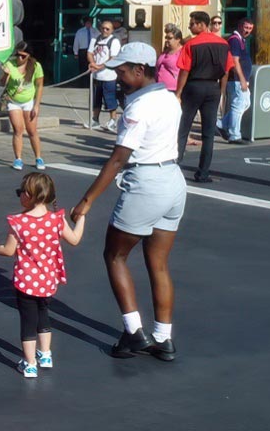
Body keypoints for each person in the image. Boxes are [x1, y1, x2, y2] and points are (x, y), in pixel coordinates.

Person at [71, 41, 186, 362]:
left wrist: (86, 200)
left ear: (140, 70)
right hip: (173, 181)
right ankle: (163, 338)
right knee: (158, 263)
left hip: (146, 183)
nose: (119, 77)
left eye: (122, 71)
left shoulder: (138, 108)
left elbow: (118, 159)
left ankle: (134, 332)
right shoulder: (169, 99)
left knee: (115, 255)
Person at [0, 172, 86, 378]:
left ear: (28, 195)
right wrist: (81, 219)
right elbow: (74, 239)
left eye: (20, 192)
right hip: (48, 280)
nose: (19, 195)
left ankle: (29, 364)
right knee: (43, 314)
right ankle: (45, 354)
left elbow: (8, 250)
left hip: (26, 282)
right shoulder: (56, 219)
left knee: (28, 321)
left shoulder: (18, 222)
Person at [176, 11, 232, 183]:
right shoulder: (223, 44)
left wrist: (178, 93)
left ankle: (174, 165)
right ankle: (203, 172)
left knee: (183, 128)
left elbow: (184, 70)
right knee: (208, 132)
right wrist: (221, 91)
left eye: (192, 23)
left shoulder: (191, 44)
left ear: (201, 24)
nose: (189, 26)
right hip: (213, 87)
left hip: (194, 86)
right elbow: (226, 70)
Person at [2, 41, 45, 171]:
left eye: (23, 56)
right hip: (13, 101)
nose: (19, 58)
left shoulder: (36, 66)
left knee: (32, 130)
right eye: (17, 55)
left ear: (28, 56)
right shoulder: (10, 64)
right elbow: (2, 83)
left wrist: (36, 106)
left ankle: (38, 157)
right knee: (18, 129)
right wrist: (5, 74)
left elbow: (39, 85)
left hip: (28, 101)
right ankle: (18, 158)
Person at [217, 17, 254, 144]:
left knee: (245, 103)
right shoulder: (235, 40)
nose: (247, 31)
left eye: (250, 28)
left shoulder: (241, 40)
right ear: (240, 26)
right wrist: (242, 79)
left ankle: (222, 124)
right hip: (237, 80)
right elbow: (234, 61)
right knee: (238, 105)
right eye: (246, 27)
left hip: (240, 80)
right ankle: (234, 135)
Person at [87, 19, 122, 132]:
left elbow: (113, 58)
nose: (105, 30)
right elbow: (90, 53)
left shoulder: (114, 41)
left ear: (112, 30)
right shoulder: (95, 39)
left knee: (110, 99)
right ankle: (95, 119)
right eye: (103, 28)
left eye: (107, 29)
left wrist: (100, 66)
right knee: (96, 99)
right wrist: (92, 63)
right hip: (96, 76)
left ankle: (113, 121)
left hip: (109, 76)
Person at [157, 26, 182, 91]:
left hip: (173, 89)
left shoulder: (182, 52)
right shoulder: (165, 51)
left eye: (169, 38)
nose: (167, 40)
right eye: (166, 38)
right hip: (160, 88)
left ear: (178, 39)